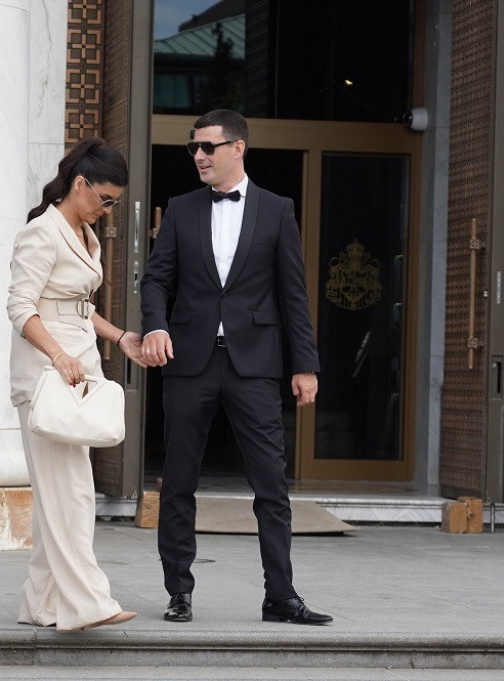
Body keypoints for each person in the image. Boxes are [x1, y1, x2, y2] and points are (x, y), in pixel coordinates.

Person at [140, 109, 332, 626]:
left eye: (208, 147)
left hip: (255, 365)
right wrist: (155, 326)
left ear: (237, 148)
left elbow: (293, 293)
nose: (198, 156)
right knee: (178, 483)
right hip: (190, 362)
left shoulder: (277, 210)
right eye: (193, 148)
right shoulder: (180, 209)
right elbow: (156, 279)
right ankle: (178, 592)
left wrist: (305, 364)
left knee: (271, 484)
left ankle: (281, 596)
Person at [7, 137, 149, 632]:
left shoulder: (85, 235)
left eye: (113, 204)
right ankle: (88, 603)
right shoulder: (41, 232)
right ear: (80, 183)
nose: (107, 211)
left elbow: (79, 308)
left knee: (64, 493)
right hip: (46, 376)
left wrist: (121, 337)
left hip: (78, 371)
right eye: (104, 199)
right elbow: (20, 307)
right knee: (69, 495)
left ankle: (41, 604)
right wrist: (57, 354)